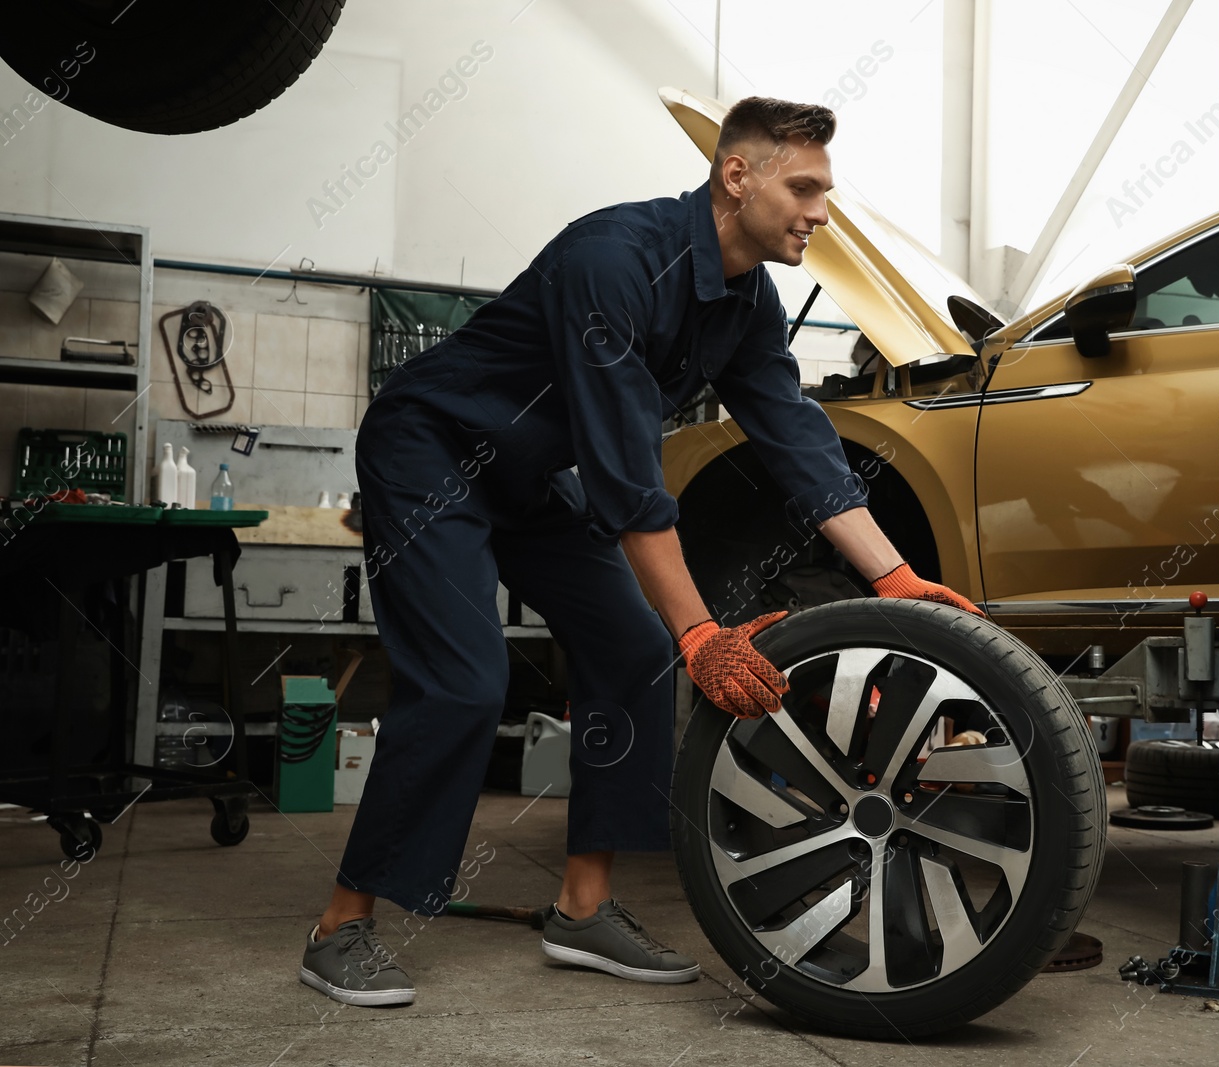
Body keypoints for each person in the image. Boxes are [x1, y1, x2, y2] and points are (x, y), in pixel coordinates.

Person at [298, 96, 981, 1007]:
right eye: (805, 187)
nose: (822, 211)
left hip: (529, 475)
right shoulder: (614, 261)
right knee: (465, 681)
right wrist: (702, 630)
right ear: (737, 177)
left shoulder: (746, 303)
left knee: (630, 648)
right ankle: (342, 924)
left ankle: (583, 908)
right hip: (432, 451)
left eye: (827, 190)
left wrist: (892, 574)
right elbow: (626, 477)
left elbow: (795, 437)